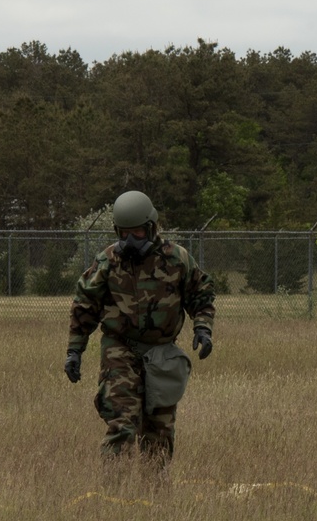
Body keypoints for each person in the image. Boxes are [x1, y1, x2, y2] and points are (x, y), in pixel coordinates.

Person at [64, 190, 216, 489]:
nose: (131, 240)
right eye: (125, 233)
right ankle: (113, 493)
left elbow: (201, 294)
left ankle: (154, 493)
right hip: (120, 349)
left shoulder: (176, 259)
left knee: (159, 428)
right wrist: (74, 351)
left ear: (151, 228)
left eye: (138, 232)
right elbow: (84, 306)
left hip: (161, 353)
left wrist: (203, 328)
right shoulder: (107, 262)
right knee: (122, 422)